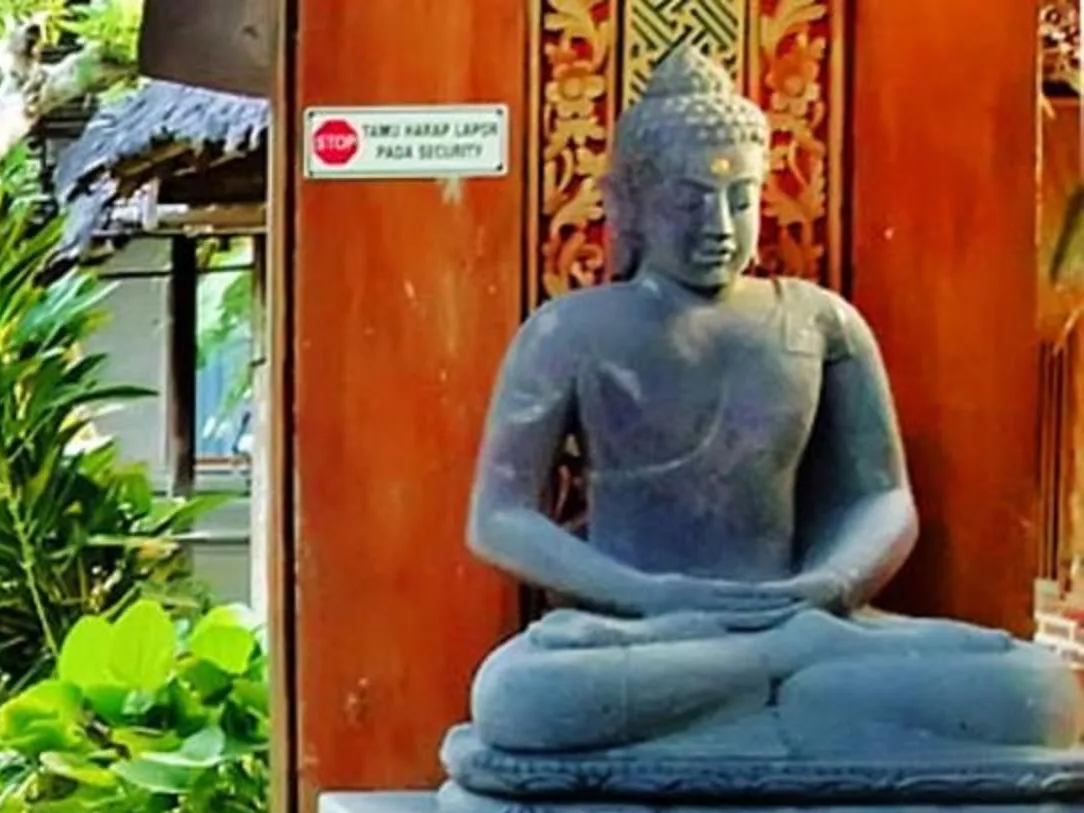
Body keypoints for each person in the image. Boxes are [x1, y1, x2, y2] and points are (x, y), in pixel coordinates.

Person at [452, 45, 1084, 776]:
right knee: (521, 698)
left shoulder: (818, 322)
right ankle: (793, 687)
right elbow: (498, 517)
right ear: (629, 205)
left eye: (741, 198)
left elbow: (880, 497)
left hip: (806, 615)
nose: (719, 224)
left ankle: (769, 689)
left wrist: (827, 586)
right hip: (642, 635)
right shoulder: (570, 331)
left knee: (1037, 695)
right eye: (689, 202)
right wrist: (653, 596)